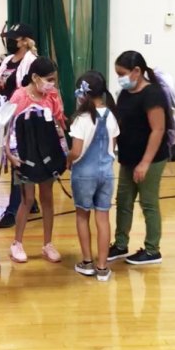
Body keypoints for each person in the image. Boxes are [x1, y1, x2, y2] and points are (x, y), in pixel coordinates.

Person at [108, 51, 170, 265]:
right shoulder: (125, 94)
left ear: (136, 71)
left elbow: (158, 129)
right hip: (128, 158)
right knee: (123, 201)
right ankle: (120, 244)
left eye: (121, 73)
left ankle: (153, 250)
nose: (119, 78)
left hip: (150, 159)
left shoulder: (152, 95)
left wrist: (145, 163)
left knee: (148, 203)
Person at [6, 57, 66, 264]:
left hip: (46, 155)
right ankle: (17, 243)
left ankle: (48, 244)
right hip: (24, 156)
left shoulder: (52, 97)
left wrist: (63, 152)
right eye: (49, 79)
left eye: (54, 80)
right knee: (27, 198)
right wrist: (9, 154)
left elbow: (60, 123)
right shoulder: (19, 97)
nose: (52, 84)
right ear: (35, 77)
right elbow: (6, 128)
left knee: (47, 197)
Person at [67, 71, 120, 281]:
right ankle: (102, 267)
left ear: (83, 94)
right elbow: (112, 147)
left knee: (82, 216)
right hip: (106, 173)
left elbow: (76, 151)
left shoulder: (81, 119)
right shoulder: (111, 115)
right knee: (103, 217)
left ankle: (87, 262)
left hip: (84, 175)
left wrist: (67, 159)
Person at [0, 23, 40, 228]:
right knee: (16, 157)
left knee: (18, 159)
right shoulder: (7, 60)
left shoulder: (32, 62)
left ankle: (13, 209)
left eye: (13, 37)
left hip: (23, 116)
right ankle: (31, 201)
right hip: (8, 113)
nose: (9, 41)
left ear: (24, 40)